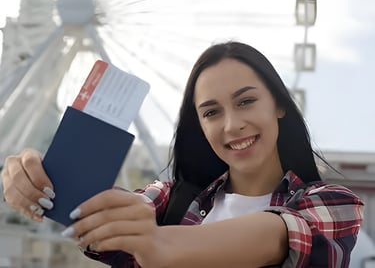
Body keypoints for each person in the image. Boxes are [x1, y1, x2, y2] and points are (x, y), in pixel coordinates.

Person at [1, 41, 364, 267]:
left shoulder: (333, 204)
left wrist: (158, 244)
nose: (232, 125)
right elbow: (100, 211)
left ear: (280, 106)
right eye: (211, 112)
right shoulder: (166, 198)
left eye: (247, 101)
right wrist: (36, 179)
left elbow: (277, 236)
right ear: (201, 126)